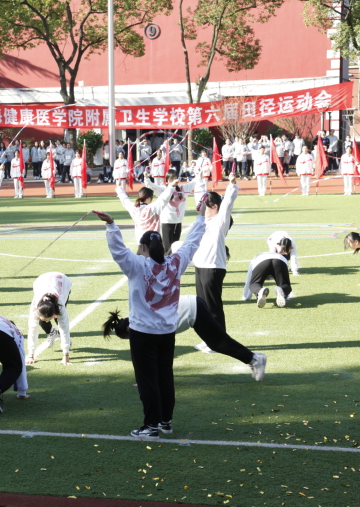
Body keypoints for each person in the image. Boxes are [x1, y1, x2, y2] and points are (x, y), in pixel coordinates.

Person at [94, 196, 206, 440]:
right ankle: (165, 422)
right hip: (167, 332)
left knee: (148, 381)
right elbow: (192, 242)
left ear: (143, 247)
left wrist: (111, 224)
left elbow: (118, 251)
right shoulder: (176, 262)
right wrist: (201, 215)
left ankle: (151, 427)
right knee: (165, 377)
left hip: (143, 334)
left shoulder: (137, 265)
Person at [103, 295, 267, 382]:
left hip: (193, 310)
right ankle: (252, 359)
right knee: (217, 343)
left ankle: (254, 359)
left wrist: (147, 381)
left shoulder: (143, 324)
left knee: (219, 343)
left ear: (129, 329)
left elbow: (154, 357)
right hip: (193, 304)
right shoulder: (139, 316)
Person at [191, 174, 239, 331]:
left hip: (213, 267)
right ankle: (208, 339)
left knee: (213, 307)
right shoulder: (202, 222)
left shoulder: (220, 220)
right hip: (200, 266)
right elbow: (199, 195)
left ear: (214, 207)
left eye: (205, 206)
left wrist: (232, 184)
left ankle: (220, 340)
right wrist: (199, 179)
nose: (201, 209)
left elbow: (228, 203)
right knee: (202, 306)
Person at [145, 169, 197, 254]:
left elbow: (194, 182)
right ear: (167, 180)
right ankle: (166, 262)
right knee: (168, 249)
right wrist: (146, 178)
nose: (173, 180)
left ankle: (174, 262)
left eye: (175, 178)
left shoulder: (183, 188)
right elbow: (151, 186)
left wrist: (200, 174)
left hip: (178, 222)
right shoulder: (163, 189)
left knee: (175, 247)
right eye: (171, 179)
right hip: (167, 222)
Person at [26, 272, 72, 366]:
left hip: (63, 281)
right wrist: (31, 355)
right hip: (41, 280)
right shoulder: (35, 306)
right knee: (37, 321)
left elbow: (64, 328)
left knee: (61, 321)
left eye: (48, 319)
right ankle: (52, 332)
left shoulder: (60, 306)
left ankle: (66, 342)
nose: (47, 321)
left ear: (54, 314)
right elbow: (32, 329)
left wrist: (66, 356)